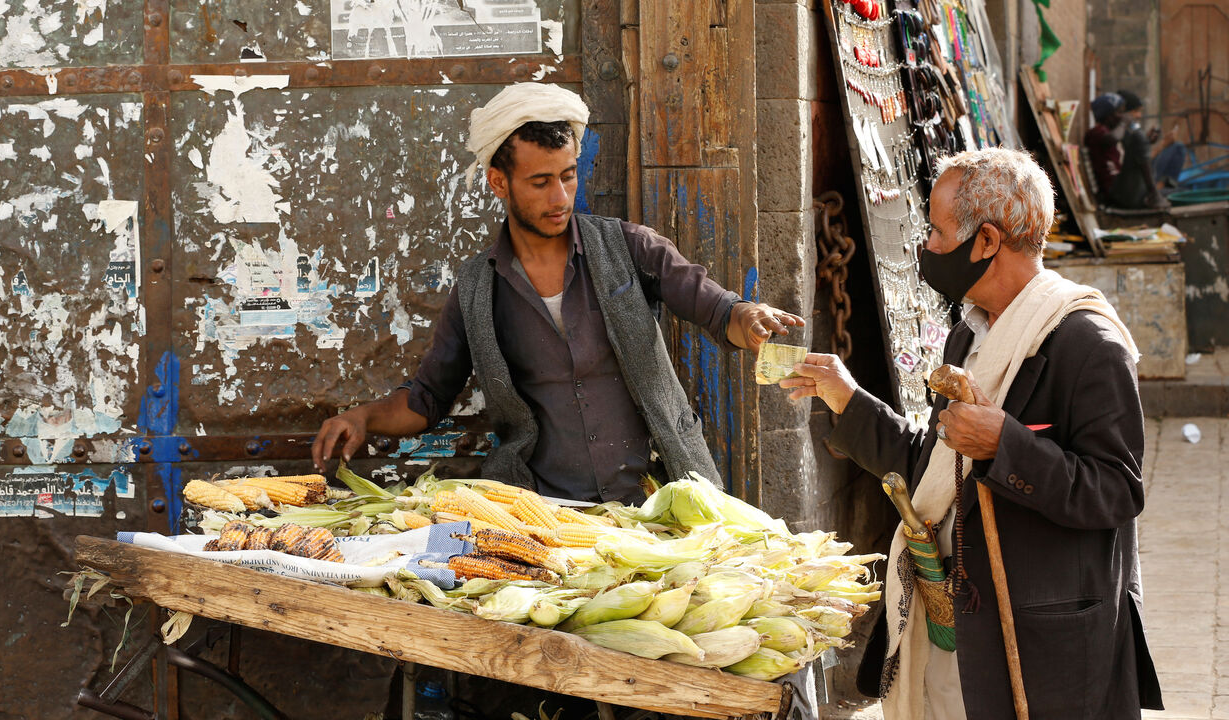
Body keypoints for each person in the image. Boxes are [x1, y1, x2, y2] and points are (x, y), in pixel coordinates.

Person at [781, 148, 1162, 719]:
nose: (926, 247)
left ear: (986, 242)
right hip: (959, 632)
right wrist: (846, 397)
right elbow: (936, 468)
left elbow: (1116, 492)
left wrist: (1005, 445)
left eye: (935, 231)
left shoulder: (1088, 347)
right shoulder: (969, 339)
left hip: (1041, 648)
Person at [312, 81, 803, 504]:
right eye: (541, 182)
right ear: (498, 182)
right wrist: (364, 417)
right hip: (546, 519)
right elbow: (426, 400)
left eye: (568, 176)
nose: (560, 197)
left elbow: (718, 310)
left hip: (662, 500)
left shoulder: (629, 248)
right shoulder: (477, 291)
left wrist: (749, 316)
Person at [1108, 89, 1183, 210]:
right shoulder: (1119, 134)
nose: (1139, 115)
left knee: (1177, 147)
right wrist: (1162, 145)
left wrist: (1147, 142)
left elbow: (1136, 157)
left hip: (1138, 184)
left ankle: (1164, 184)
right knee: (1178, 150)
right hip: (1135, 191)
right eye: (1135, 111)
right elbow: (1136, 164)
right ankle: (1161, 186)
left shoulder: (1127, 132)